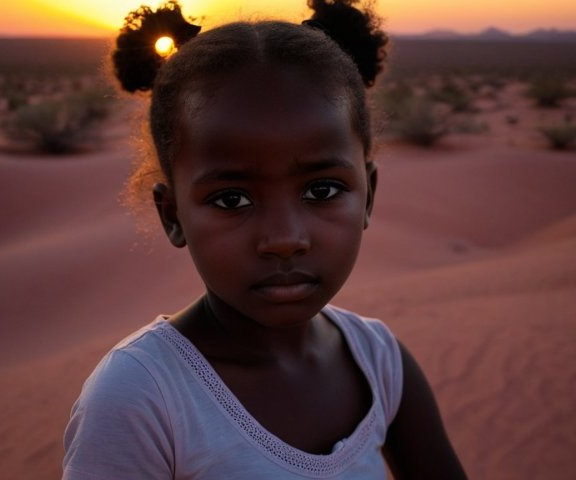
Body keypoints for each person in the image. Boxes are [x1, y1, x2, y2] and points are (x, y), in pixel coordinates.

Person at [63, 1, 466, 478]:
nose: (284, 239)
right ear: (172, 215)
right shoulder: (141, 396)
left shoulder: (381, 362)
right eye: (232, 199)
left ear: (369, 196)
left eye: (322, 191)